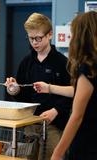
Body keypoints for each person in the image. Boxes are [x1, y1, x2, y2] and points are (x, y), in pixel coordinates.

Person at [5, 13, 72, 160]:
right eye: (31, 38)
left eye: (38, 38)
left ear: (50, 35)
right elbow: (24, 95)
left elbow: (73, 95)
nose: (34, 43)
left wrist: (57, 110)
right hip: (31, 121)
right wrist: (15, 90)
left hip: (54, 124)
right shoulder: (26, 62)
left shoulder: (63, 63)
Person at [51, 11, 97, 160]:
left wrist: (58, 152)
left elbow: (77, 116)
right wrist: (50, 87)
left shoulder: (88, 68)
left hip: (88, 142)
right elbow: (82, 93)